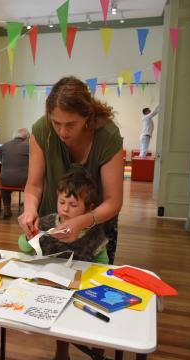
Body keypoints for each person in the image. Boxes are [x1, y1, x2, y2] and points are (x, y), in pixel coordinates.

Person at [18, 76, 123, 267]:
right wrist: (29, 210)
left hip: (94, 230)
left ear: (87, 117)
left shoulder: (107, 136)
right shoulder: (42, 130)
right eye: (56, 123)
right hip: (52, 226)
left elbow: (113, 201)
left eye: (71, 124)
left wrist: (83, 221)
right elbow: (34, 185)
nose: (63, 132)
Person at [19, 170, 108, 360]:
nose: (66, 209)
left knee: (96, 322)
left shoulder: (93, 233)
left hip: (84, 289)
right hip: (54, 286)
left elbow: (103, 264)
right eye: (62, 202)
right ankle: (61, 354)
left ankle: (97, 358)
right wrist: (29, 236)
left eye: (73, 205)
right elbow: (24, 247)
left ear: (89, 208)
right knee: (59, 323)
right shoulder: (48, 223)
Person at [0, 128, 30, 218]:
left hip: (5, 180)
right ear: (27, 137)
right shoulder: (29, 146)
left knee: (5, 188)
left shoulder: (4, 145)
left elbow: (1, 160)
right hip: (24, 181)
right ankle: (30, 210)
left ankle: (6, 209)